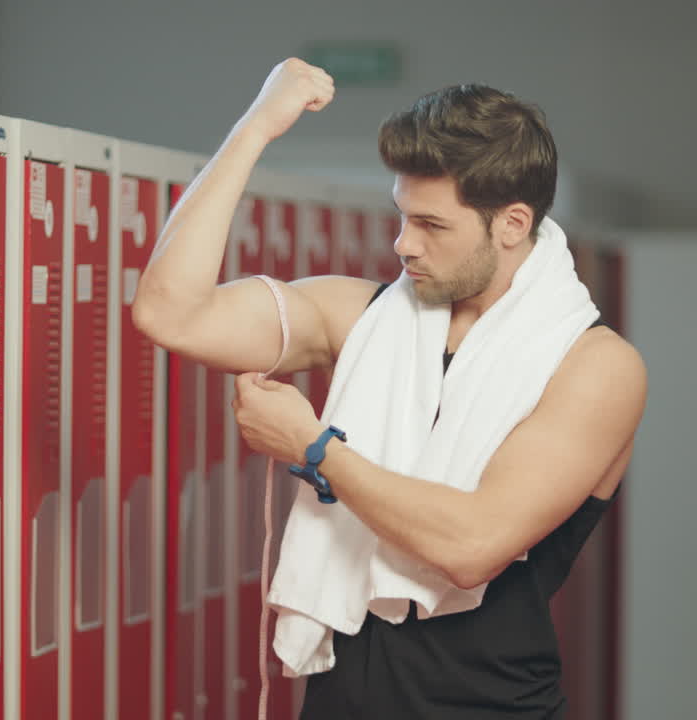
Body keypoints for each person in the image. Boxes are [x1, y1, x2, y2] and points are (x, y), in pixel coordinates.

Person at [132, 58, 647, 719]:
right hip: (343, 698)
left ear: (512, 223)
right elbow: (170, 312)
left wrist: (315, 448)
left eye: (432, 225)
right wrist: (256, 128)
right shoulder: (365, 320)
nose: (403, 243)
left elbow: (471, 548)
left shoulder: (594, 367)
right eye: (402, 215)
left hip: (491, 707)